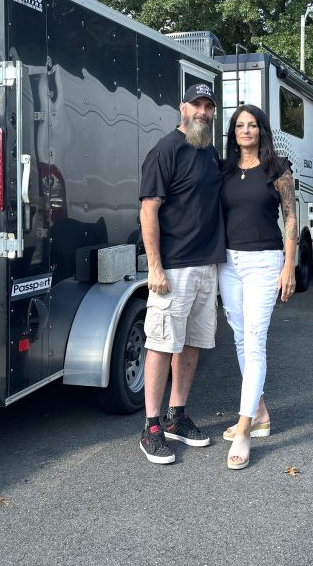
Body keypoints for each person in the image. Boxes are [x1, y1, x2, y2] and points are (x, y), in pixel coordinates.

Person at [137, 83, 226, 464]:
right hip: (173, 268)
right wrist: (155, 266)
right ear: (182, 108)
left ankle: (177, 416)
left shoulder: (208, 153)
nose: (203, 112)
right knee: (161, 345)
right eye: (197, 105)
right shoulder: (166, 150)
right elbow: (148, 210)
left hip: (206, 266)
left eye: (208, 106)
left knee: (191, 345)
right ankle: (151, 426)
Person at [218, 104, 297, 470]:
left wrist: (289, 266)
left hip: (265, 263)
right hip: (229, 264)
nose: (245, 130)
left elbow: (291, 217)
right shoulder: (225, 170)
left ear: (261, 131)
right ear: (233, 132)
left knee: (255, 339)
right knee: (238, 337)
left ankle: (245, 429)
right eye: (239, 125)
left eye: (252, 125)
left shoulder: (278, 168)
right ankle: (260, 412)